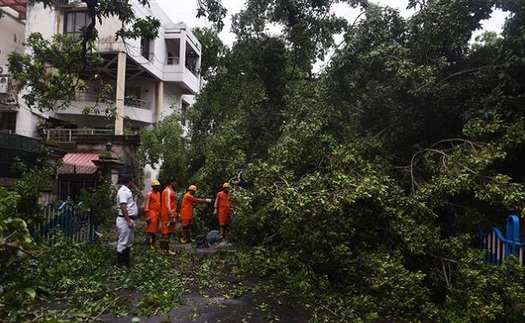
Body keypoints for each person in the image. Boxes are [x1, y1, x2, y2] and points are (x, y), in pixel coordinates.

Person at [116, 177, 138, 270]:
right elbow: (123, 206)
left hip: (129, 219)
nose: (133, 182)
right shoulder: (123, 191)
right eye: (132, 180)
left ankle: (126, 262)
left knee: (128, 242)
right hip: (125, 220)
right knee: (123, 242)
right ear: (128, 181)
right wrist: (128, 220)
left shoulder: (127, 191)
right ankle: (121, 264)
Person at [160, 179, 178, 255]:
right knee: (166, 233)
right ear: (171, 182)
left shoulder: (170, 191)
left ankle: (165, 249)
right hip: (167, 216)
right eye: (175, 182)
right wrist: (171, 216)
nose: (176, 184)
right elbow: (168, 205)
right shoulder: (168, 191)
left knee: (168, 233)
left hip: (169, 215)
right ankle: (164, 250)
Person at [144, 179, 162, 249]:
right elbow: (146, 205)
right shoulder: (149, 194)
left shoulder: (158, 193)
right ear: (153, 187)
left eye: (158, 186)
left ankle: (153, 243)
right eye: (156, 186)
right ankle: (149, 244)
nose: (158, 187)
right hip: (151, 214)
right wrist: (147, 216)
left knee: (155, 230)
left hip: (157, 214)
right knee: (150, 230)